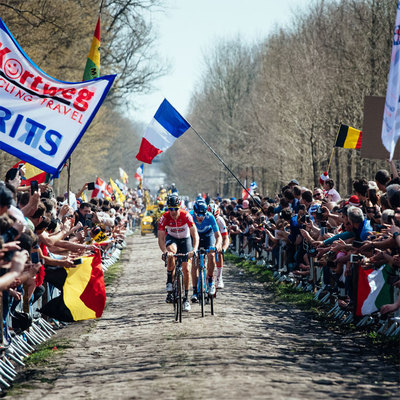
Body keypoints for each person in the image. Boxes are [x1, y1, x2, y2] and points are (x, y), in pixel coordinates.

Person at [158, 194, 199, 312]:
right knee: (171, 252)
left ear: (179, 207)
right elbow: (161, 238)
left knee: (186, 269)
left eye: (175, 209)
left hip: (185, 240)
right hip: (172, 238)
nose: (173, 212)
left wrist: (194, 250)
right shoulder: (164, 217)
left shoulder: (186, 215)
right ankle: (170, 279)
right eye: (170, 209)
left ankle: (186, 298)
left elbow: (195, 234)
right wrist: (165, 252)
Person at [190, 200, 222, 302]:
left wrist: (217, 246)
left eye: (203, 214)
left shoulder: (209, 217)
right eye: (198, 215)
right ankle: (195, 291)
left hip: (208, 235)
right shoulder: (190, 216)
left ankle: (210, 281)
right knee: (195, 263)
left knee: (211, 255)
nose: (200, 217)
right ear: (194, 212)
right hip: (195, 236)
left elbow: (218, 236)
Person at [209, 202, 229, 288]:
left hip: (217, 238)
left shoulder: (220, 220)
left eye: (215, 217)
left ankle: (219, 278)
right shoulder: (204, 218)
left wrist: (223, 248)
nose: (214, 219)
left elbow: (225, 238)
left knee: (219, 251)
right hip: (207, 237)